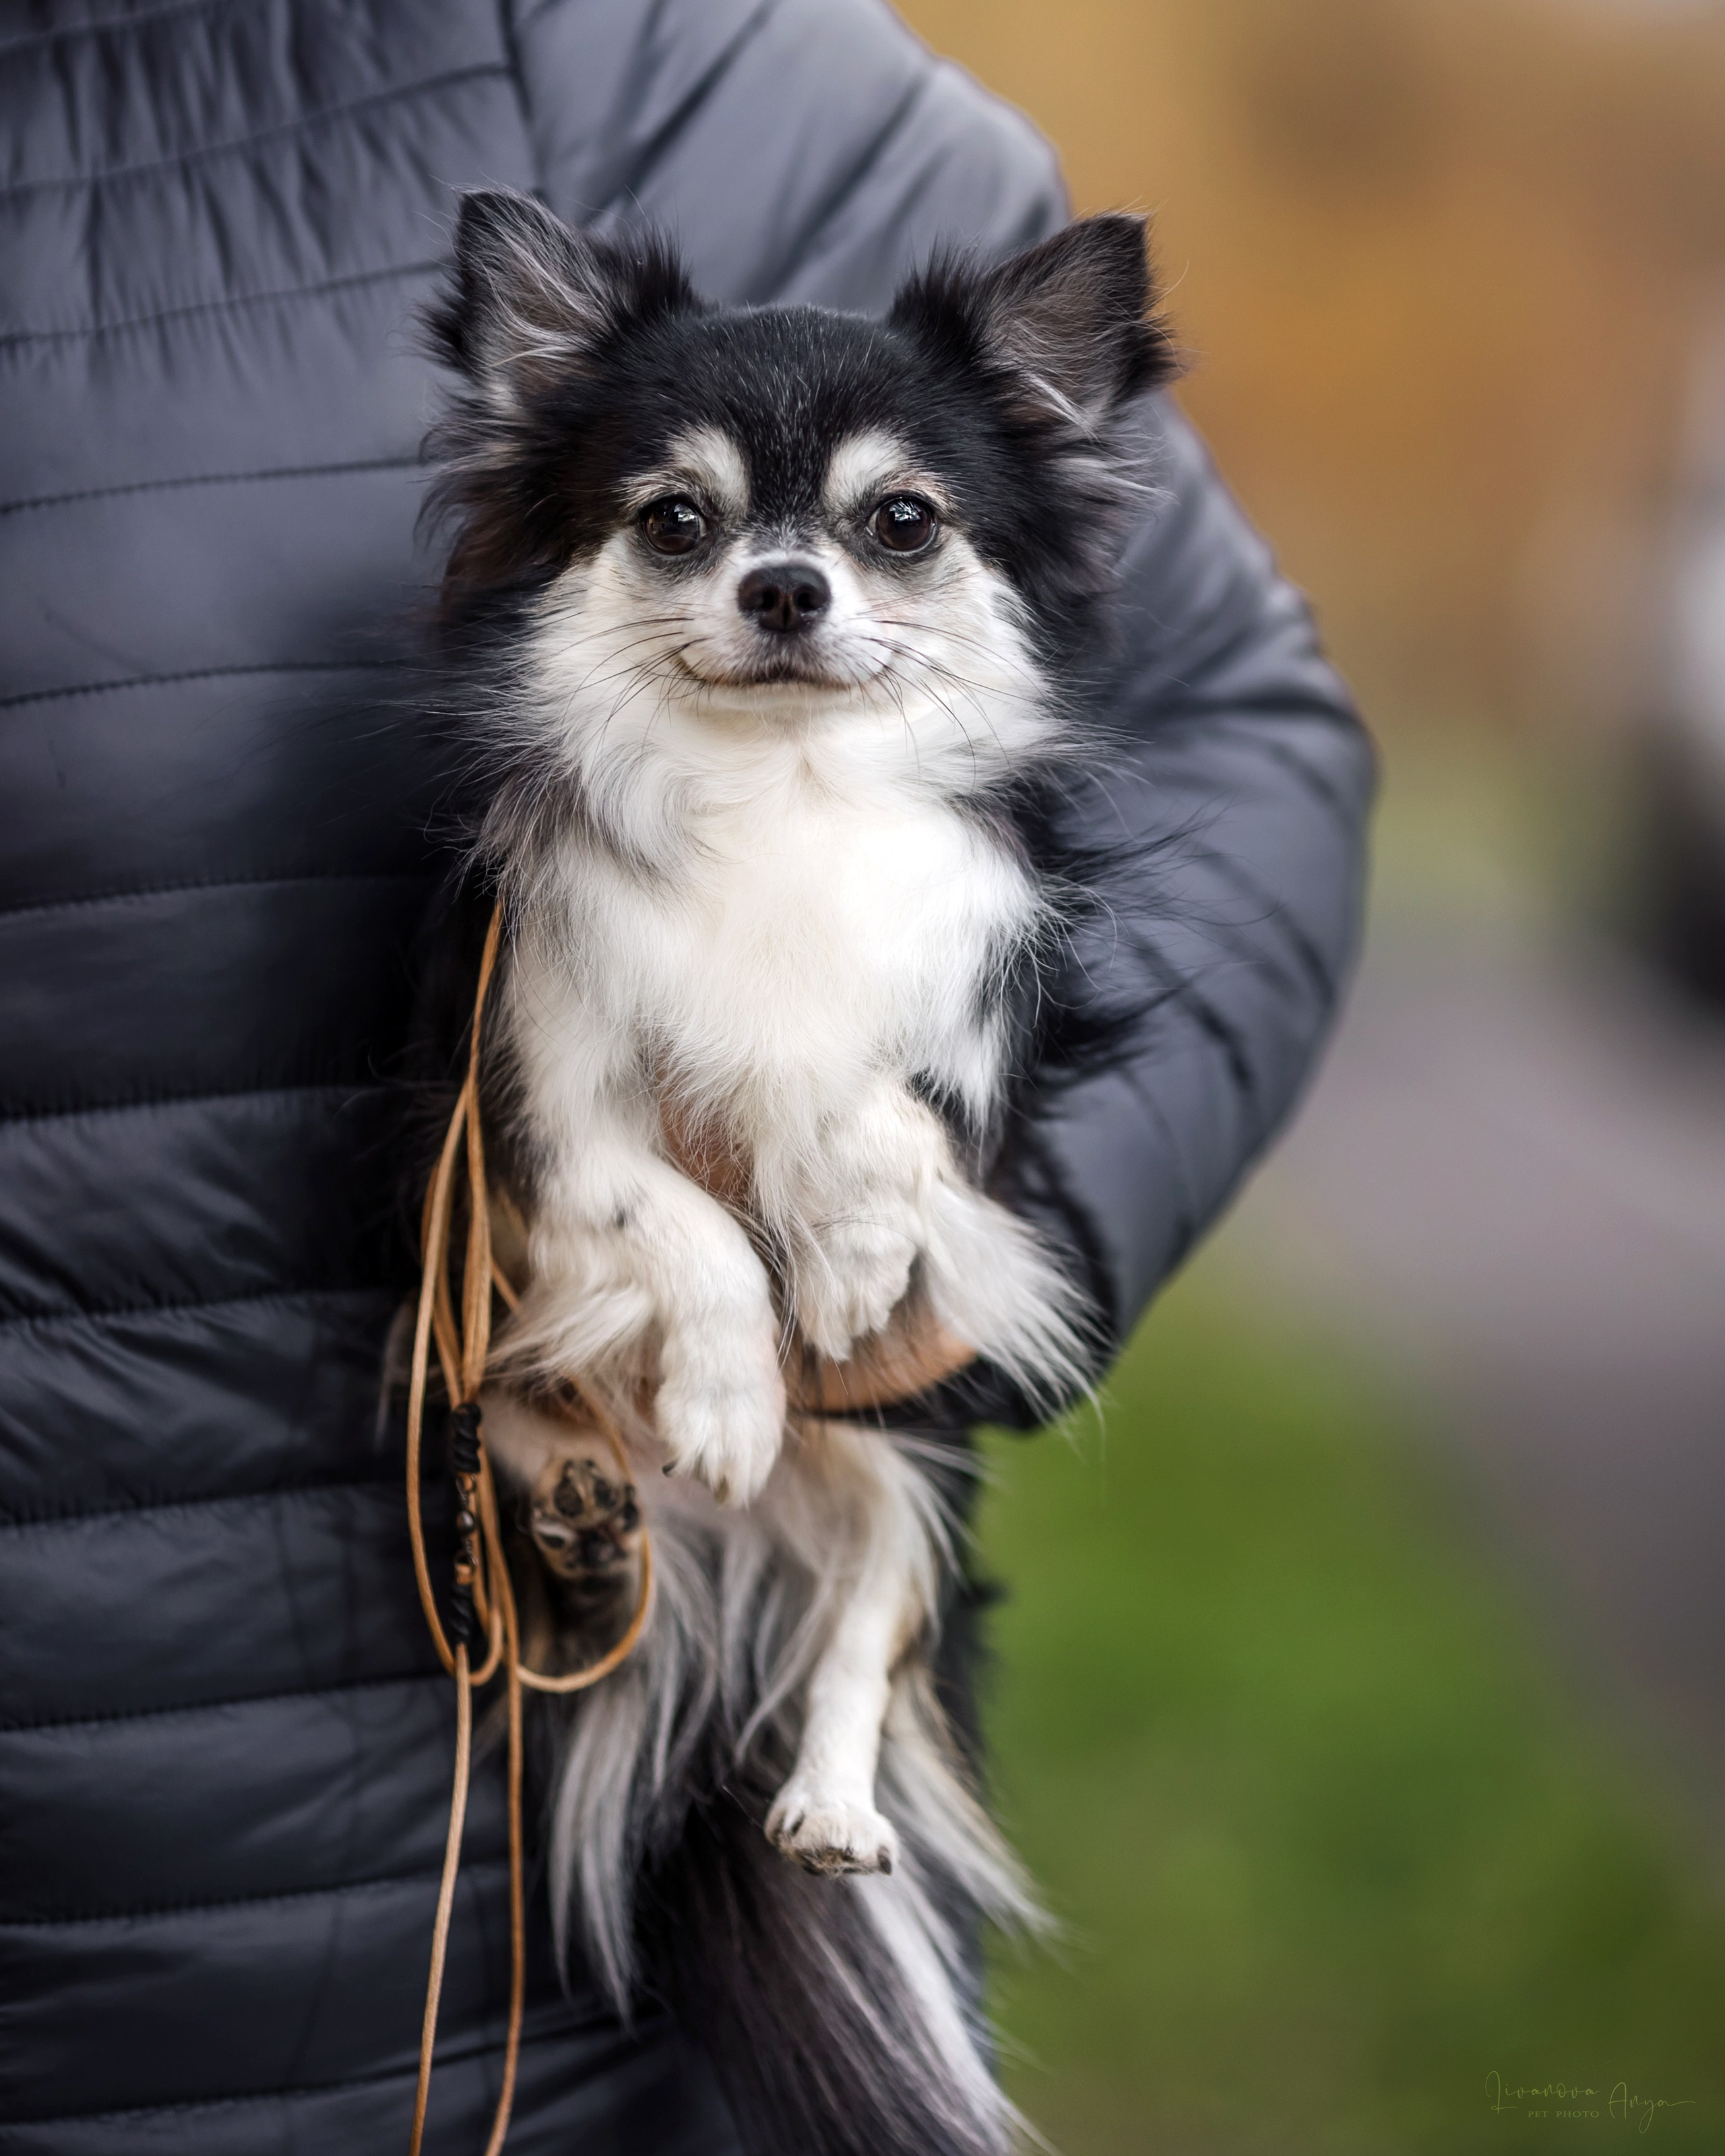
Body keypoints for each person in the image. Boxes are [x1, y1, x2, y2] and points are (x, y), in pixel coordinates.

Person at [0, 2, 1373, 2148]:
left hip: (508, 1864)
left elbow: (1246, 727)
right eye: (680, 526)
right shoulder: (566, 852)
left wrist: (983, 1211)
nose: (791, 578)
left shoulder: (625, 43)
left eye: (891, 526)